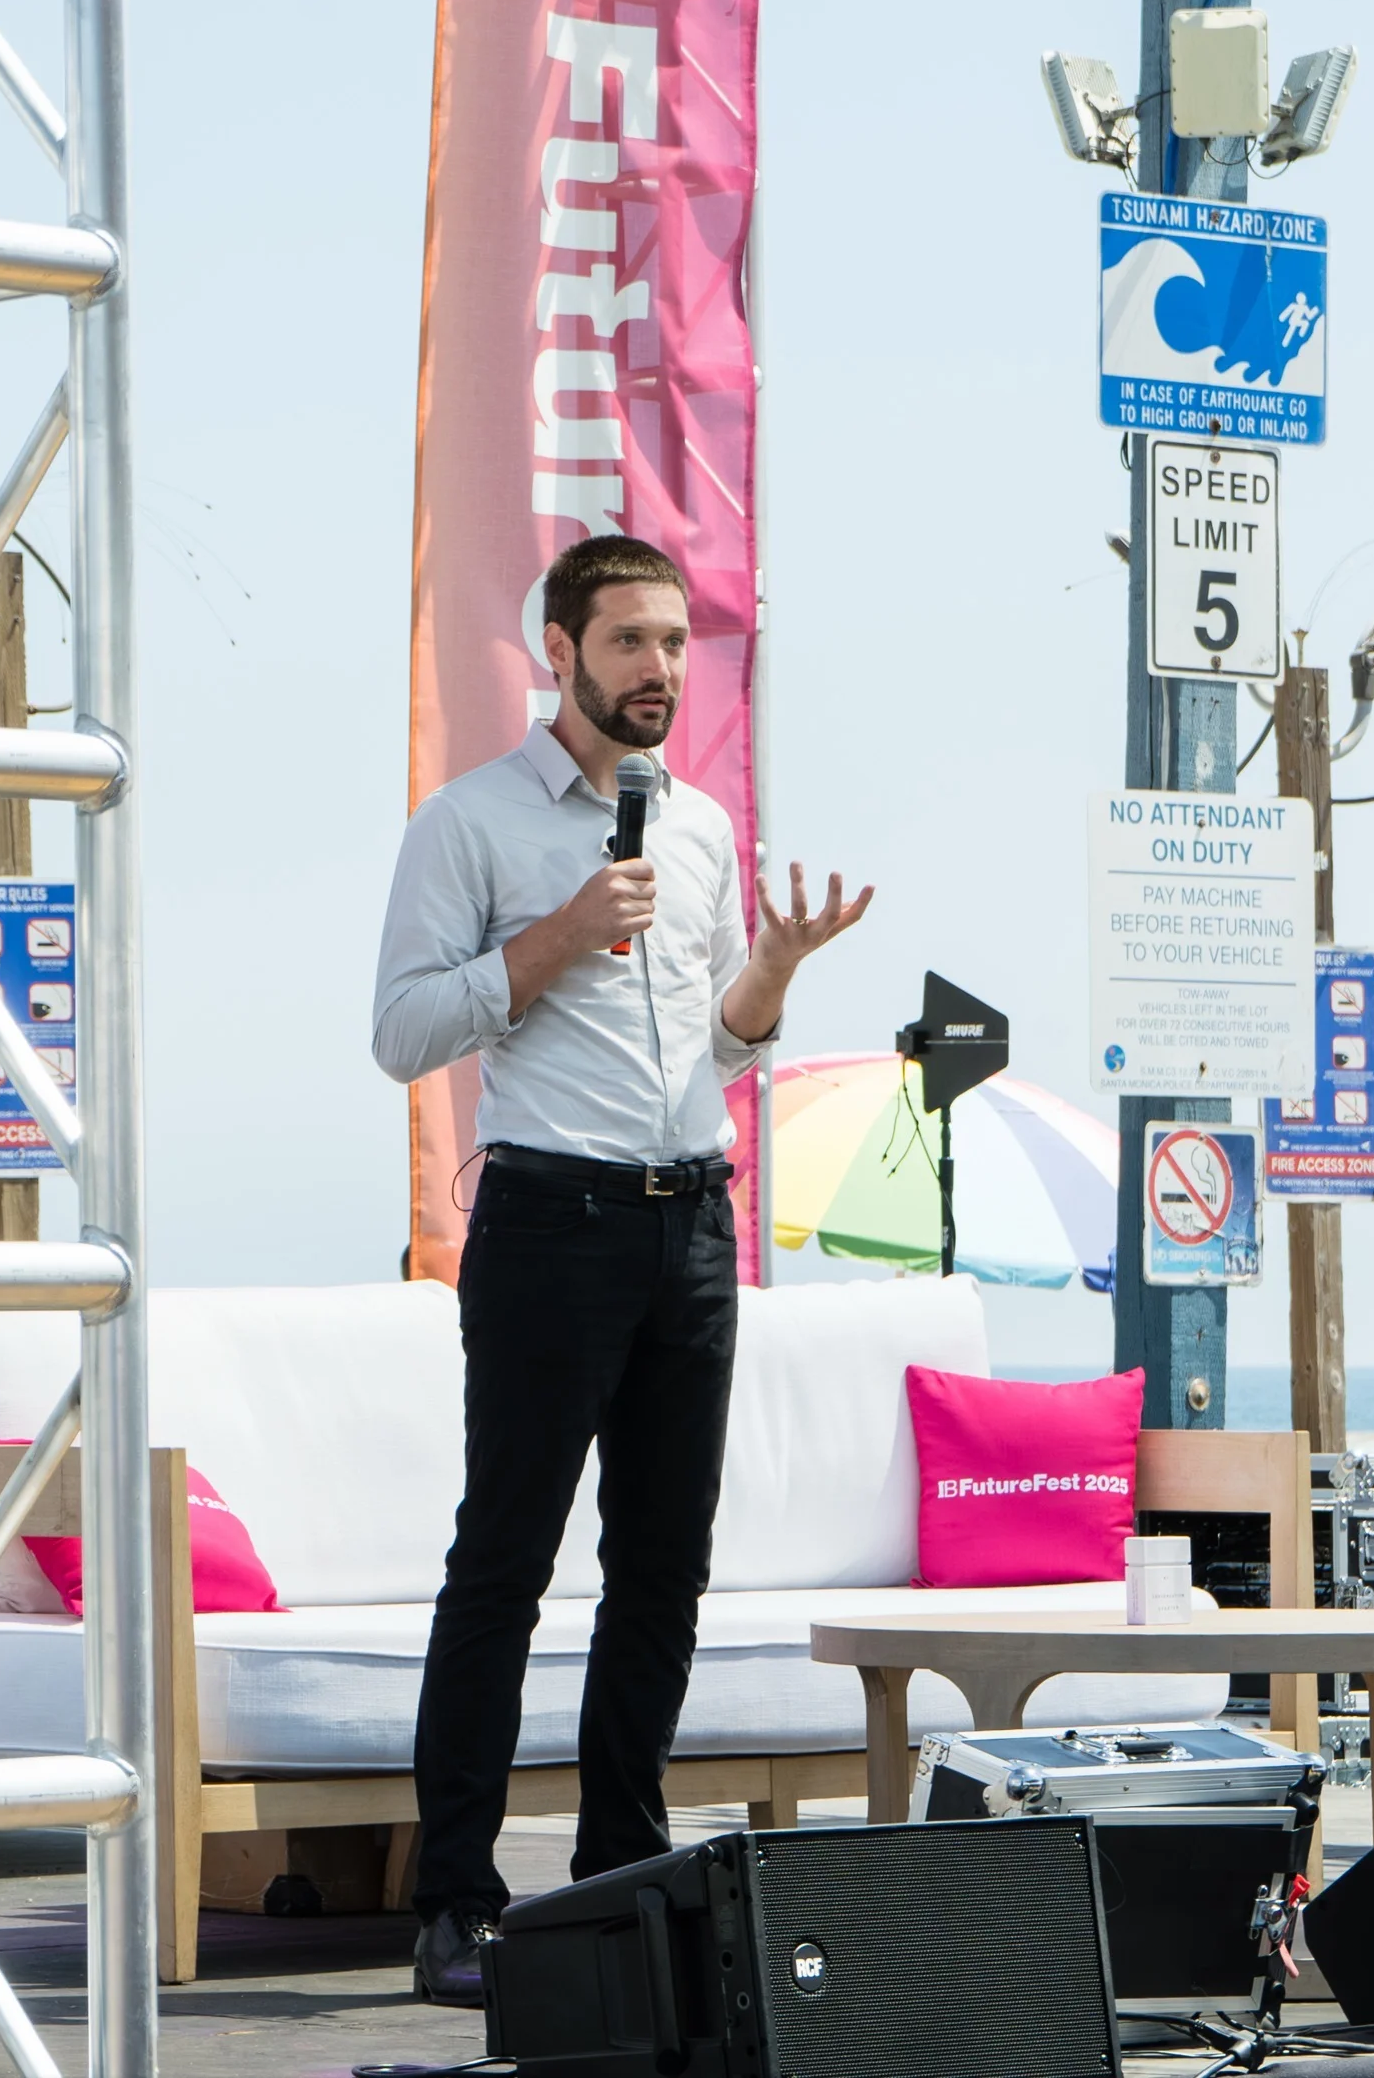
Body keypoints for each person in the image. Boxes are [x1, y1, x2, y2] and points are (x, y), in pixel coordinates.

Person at [368, 534, 870, 2008]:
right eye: (633, 643)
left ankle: (620, 1887)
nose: (661, 670)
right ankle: (455, 1904)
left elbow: (721, 1043)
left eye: (676, 645)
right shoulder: (468, 825)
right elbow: (402, 1034)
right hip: (546, 1227)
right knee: (505, 1568)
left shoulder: (701, 828)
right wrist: (558, 938)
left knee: (663, 1571)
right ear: (562, 653)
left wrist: (772, 971)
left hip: (689, 1223)